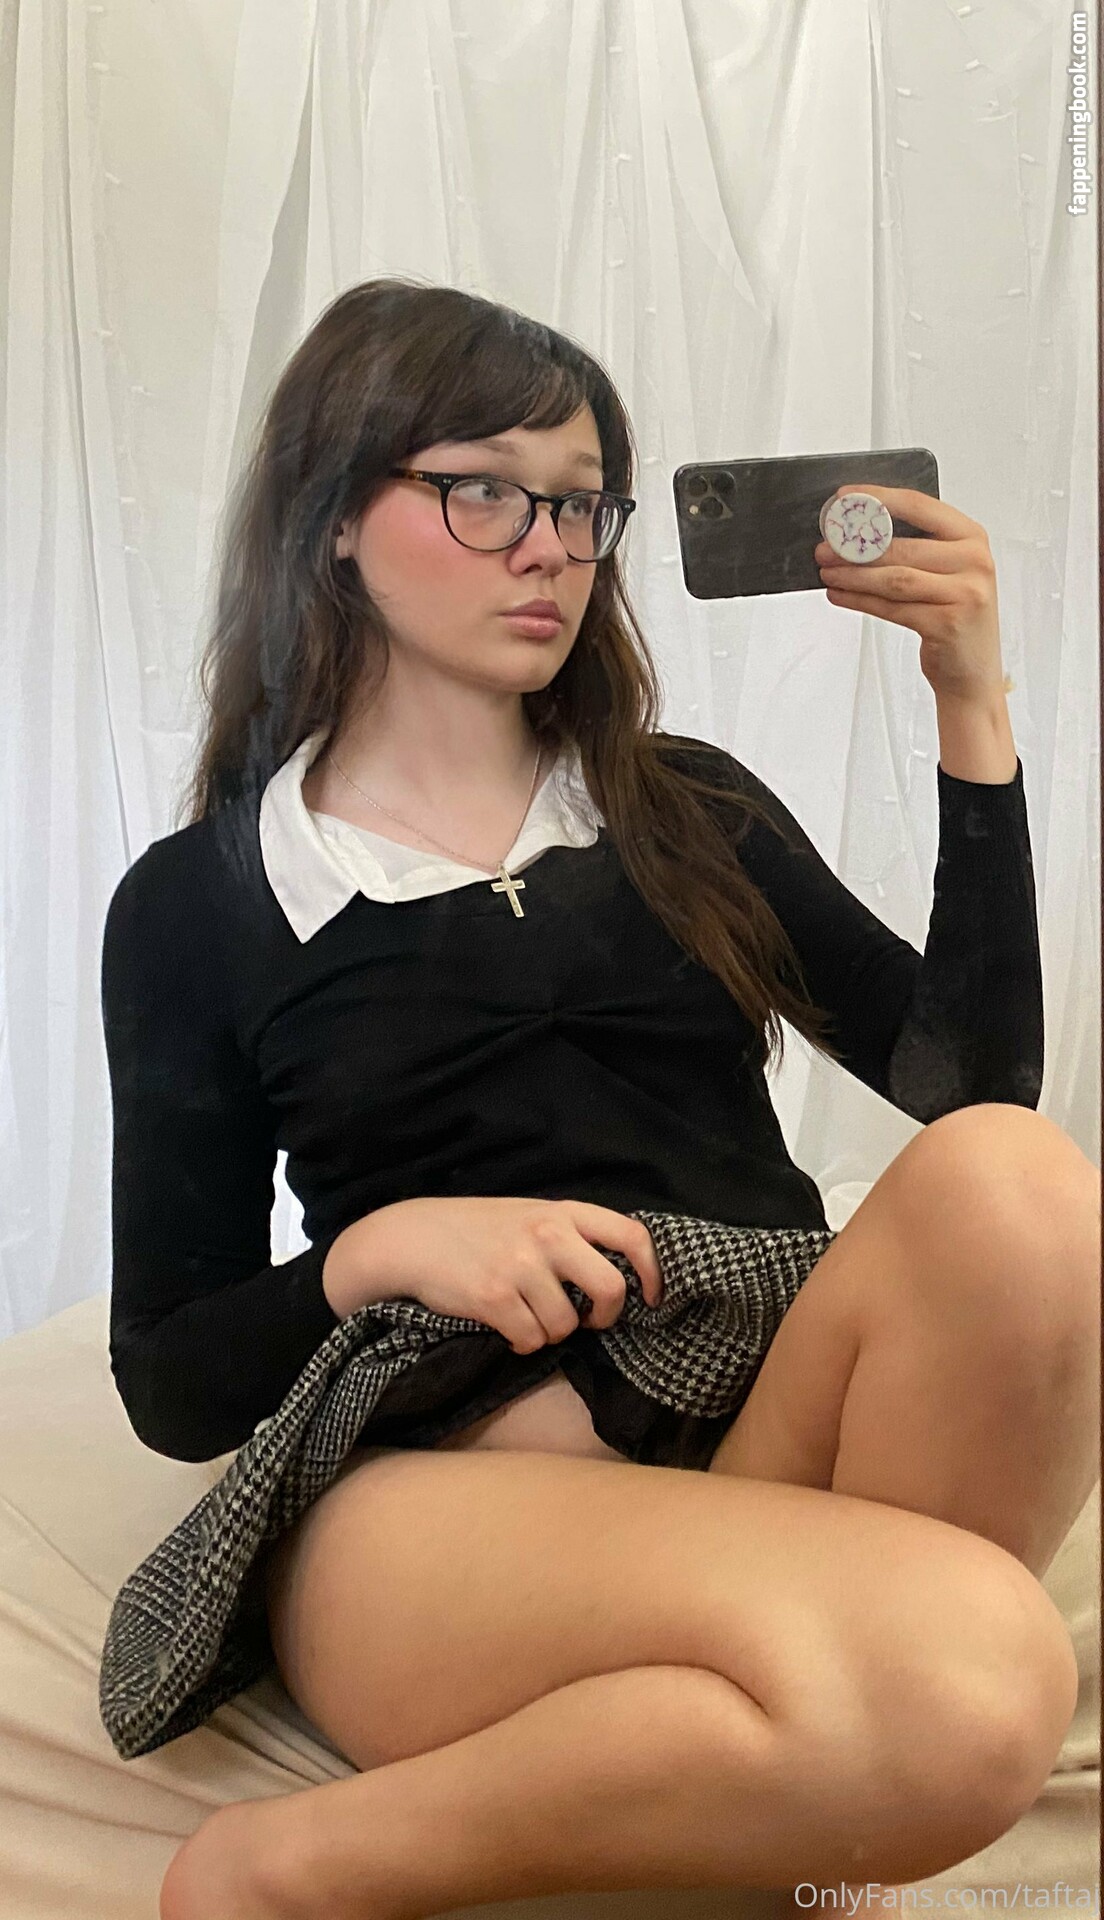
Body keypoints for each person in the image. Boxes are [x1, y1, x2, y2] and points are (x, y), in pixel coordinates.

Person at [102, 279, 1077, 1919]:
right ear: (333, 520)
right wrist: (382, 1249)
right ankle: (287, 1874)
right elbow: (172, 1379)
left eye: (578, 503)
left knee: (1018, 1183)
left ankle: (819, 1747)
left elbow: (975, 1084)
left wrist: (970, 704)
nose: (548, 548)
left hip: (756, 1435)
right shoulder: (202, 903)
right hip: (442, 1506)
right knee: (981, 1679)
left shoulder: (687, 810)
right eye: (483, 491)